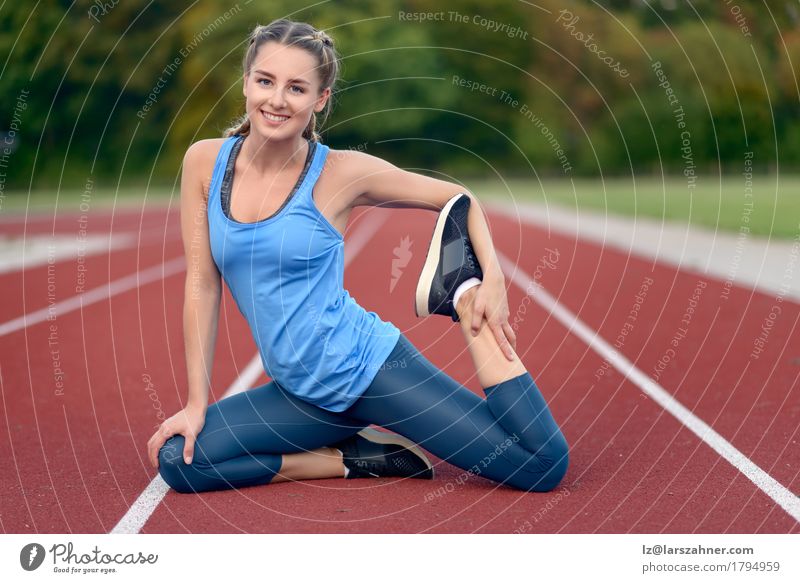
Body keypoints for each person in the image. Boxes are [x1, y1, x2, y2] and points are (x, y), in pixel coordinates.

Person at [146, 18, 569, 494]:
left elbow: (456, 197)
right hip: (303, 399)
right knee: (179, 461)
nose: (277, 100)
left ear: (319, 99)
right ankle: (352, 457)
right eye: (265, 81)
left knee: (540, 466)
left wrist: (490, 280)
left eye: (297, 88)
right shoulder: (204, 163)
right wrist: (196, 403)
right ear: (246, 82)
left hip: (372, 372)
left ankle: (463, 299)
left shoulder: (342, 173)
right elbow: (202, 284)